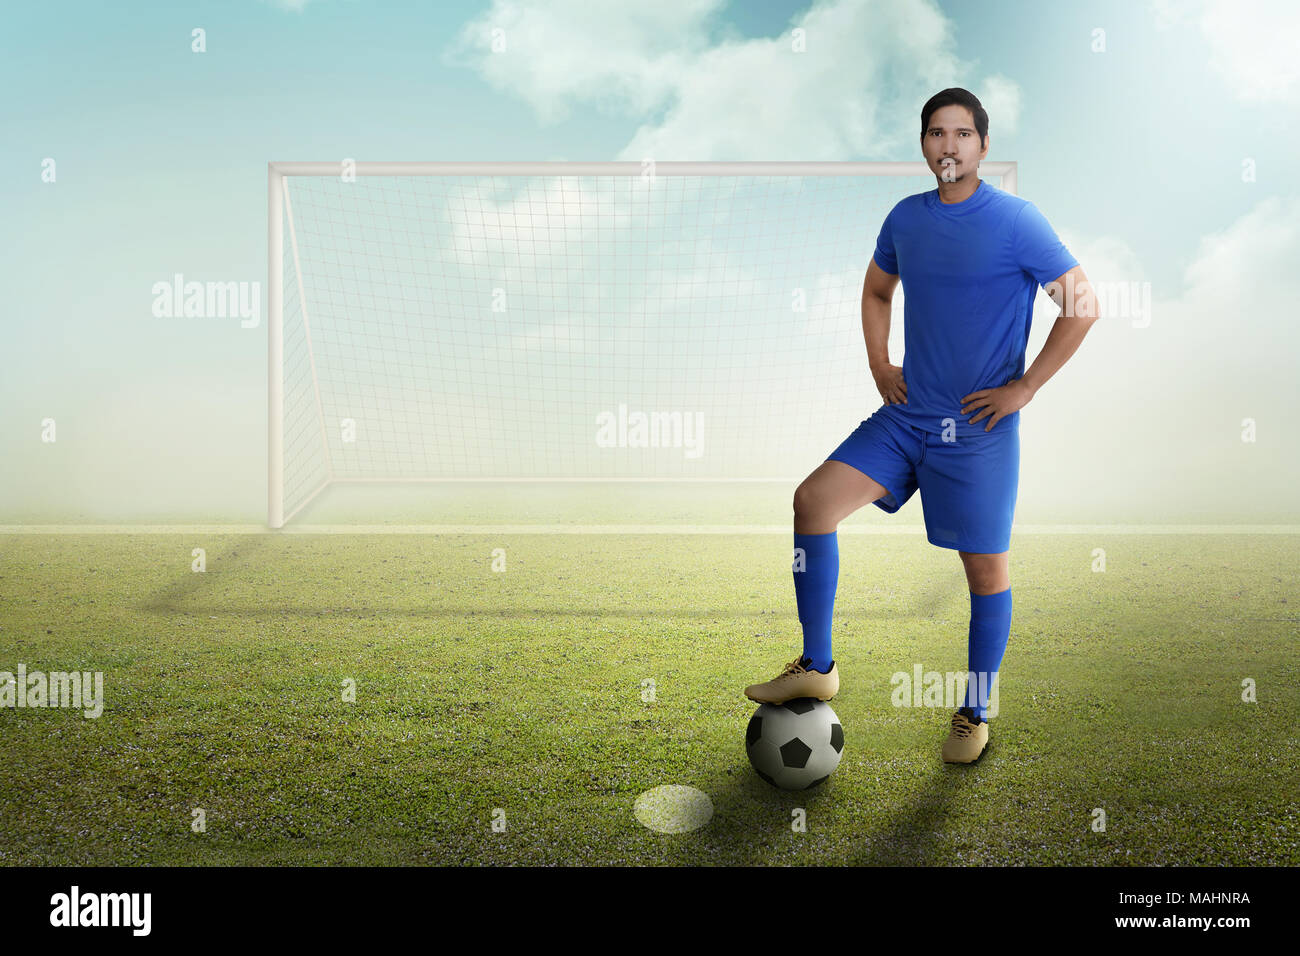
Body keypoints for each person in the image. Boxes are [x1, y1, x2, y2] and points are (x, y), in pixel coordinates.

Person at [744, 88, 1098, 764]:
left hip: (976, 430)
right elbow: (879, 291)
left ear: (984, 147)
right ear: (924, 145)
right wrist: (881, 362)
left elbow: (1082, 305)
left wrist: (1024, 387)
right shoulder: (905, 219)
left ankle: (975, 713)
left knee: (985, 571)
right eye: (937, 133)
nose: (949, 146)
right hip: (908, 417)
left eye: (963, 134)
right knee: (812, 502)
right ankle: (817, 663)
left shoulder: (1019, 222)